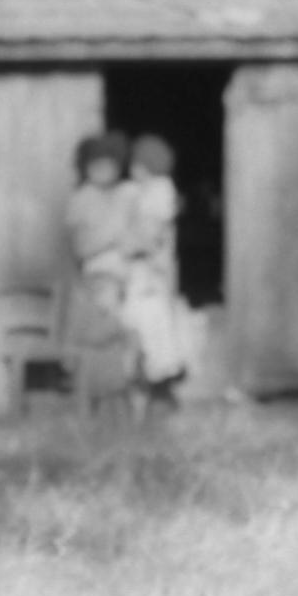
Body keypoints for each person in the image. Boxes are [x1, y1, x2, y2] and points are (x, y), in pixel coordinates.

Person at [59, 131, 140, 408]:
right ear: (86, 167)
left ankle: (121, 397)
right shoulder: (83, 199)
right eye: (97, 165)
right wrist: (114, 235)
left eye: (109, 164)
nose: (104, 171)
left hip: (124, 276)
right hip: (98, 278)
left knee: (125, 335)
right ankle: (101, 397)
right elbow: (82, 248)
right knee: (104, 337)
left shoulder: (123, 194)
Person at [116, 132, 191, 401]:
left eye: (137, 164)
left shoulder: (159, 191)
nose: (132, 169)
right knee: (137, 325)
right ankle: (142, 387)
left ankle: (151, 386)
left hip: (149, 274)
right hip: (143, 272)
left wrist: (126, 244)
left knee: (148, 324)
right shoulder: (142, 191)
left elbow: (149, 236)